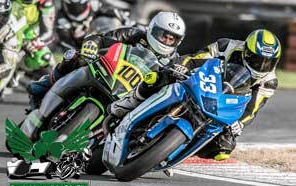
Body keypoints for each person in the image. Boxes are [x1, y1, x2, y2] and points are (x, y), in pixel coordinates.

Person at [108, 29, 281, 162]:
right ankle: (130, 102)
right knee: (160, 77)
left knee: (224, 146)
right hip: (202, 81)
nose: (262, 66)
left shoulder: (269, 81)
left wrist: (239, 124)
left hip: (223, 102)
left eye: (268, 62)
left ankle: (173, 152)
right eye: (258, 60)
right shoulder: (226, 46)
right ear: (246, 52)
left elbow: (252, 109)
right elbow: (195, 58)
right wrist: (182, 66)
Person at [27, 11, 186, 110]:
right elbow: (102, 39)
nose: (166, 40)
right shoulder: (134, 34)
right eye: (163, 35)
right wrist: (91, 44)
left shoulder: (174, 60)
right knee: (76, 57)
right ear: (153, 29)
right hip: (108, 70)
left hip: (132, 93)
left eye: (172, 38)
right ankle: (45, 86)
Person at [57, 0, 133, 49]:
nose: (76, 9)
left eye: (79, 6)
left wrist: (125, 20)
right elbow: (65, 42)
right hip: (85, 49)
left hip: (102, 36)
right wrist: (78, 49)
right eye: (72, 7)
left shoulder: (94, 4)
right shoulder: (61, 20)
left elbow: (110, 11)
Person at [11, 0, 56, 79]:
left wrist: (36, 42)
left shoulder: (45, 3)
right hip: (5, 32)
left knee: (45, 58)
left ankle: (19, 70)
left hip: (27, 39)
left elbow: (48, 32)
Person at [0, 0, 27, 98]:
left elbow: (8, 64)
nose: (0, 19)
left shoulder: (10, 28)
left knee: (10, 64)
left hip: (3, 53)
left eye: (4, 15)